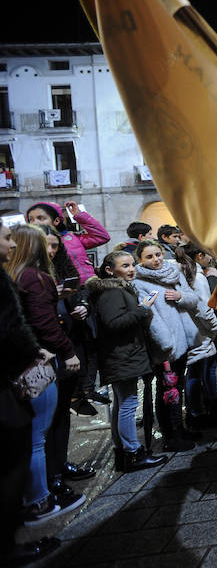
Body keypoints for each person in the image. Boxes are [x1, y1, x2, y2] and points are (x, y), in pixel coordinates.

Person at [6, 225, 85, 525]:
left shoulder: (15, 276)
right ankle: (39, 501)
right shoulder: (35, 277)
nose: (9, 244)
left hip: (19, 366)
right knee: (38, 436)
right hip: (36, 364)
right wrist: (67, 350)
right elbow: (44, 323)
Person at [0, 218, 61, 565]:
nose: (10, 245)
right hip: (11, 383)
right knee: (26, 446)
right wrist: (37, 352)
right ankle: (32, 508)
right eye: (6, 238)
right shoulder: (29, 279)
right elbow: (13, 330)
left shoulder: (13, 277)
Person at [88, 252, 168, 472]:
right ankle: (133, 453)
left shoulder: (117, 289)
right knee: (128, 404)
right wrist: (143, 309)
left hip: (123, 355)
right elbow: (114, 323)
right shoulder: (113, 292)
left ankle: (124, 453)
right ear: (110, 270)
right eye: (125, 265)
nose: (132, 269)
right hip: (123, 356)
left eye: (132, 264)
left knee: (122, 404)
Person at [36, 224, 98, 487]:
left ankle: (60, 465)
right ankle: (49, 478)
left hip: (71, 344)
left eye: (55, 246)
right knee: (46, 421)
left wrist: (82, 305)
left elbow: (81, 289)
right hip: (49, 353)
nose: (51, 251)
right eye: (46, 245)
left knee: (62, 412)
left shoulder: (61, 267)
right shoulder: (30, 276)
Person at [133, 239, 206, 452]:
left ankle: (179, 427)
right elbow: (151, 318)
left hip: (183, 340)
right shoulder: (139, 283)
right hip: (165, 347)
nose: (156, 259)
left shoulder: (173, 272)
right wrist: (166, 345)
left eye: (157, 254)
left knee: (177, 387)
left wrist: (180, 296)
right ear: (140, 260)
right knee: (166, 390)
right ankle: (170, 435)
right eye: (149, 256)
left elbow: (193, 299)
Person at [174, 245, 217, 431]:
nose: (211, 258)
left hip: (186, 331)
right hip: (199, 331)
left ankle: (198, 410)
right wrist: (215, 328)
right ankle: (200, 411)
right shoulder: (198, 277)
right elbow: (204, 307)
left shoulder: (177, 274)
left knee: (194, 372)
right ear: (199, 256)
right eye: (208, 254)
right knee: (197, 372)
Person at [26, 200, 110, 285]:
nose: (35, 223)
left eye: (40, 218)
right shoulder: (26, 244)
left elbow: (102, 237)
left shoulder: (72, 238)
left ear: (57, 221)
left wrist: (79, 215)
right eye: (30, 219)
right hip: (59, 290)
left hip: (88, 285)